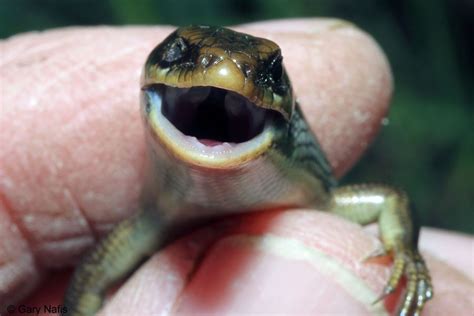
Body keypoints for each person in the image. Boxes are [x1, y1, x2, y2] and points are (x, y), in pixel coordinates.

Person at [1, 19, 472, 315]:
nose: (224, 75)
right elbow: (85, 288)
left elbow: (391, 202)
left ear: (284, 105)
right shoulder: (143, 225)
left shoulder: (319, 199)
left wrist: (404, 251)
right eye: (181, 57)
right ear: (147, 86)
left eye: (266, 75)